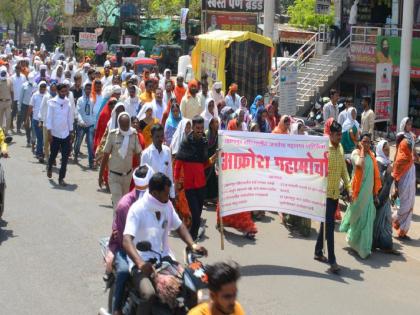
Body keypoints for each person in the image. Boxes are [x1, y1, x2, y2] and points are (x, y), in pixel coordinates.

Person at [123, 173, 208, 315]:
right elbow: (126, 240)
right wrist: (140, 263)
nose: (169, 196)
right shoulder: (137, 209)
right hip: (142, 262)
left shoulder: (167, 206)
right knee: (148, 294)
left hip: (165, 259)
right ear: (155, 193)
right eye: (166, 193)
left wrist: (192, 245)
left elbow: (180, 226)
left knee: (191, 286)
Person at [107, 165, 154, 315]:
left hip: (148, 247)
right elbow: (123, 238)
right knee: (122, 272)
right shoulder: (124, 205)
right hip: (124, 247)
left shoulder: (155, 202)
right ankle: (116, 308)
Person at [314, 121, 351, 274]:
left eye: (341, 134)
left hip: (335, 193)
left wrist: (348, 188)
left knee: (326, 224)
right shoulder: (324, 149)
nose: (340, 137)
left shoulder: (340, 148)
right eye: (337, 134)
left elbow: (343, 170)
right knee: (329, 227)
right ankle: (332, 260)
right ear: (330, 135)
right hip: (324, 195)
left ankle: (317, 251)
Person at [339, 133, 382, 259]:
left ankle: (364, 248)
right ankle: (353, 241)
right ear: (360, 142)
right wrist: (362, 150)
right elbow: (359, 164)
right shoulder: (355, 154)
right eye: (364, 142)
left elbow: (374, 178)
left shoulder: (372, 157)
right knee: (357, 220)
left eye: (369, 142)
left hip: (368, 195)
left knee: (366, 221)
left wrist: (375, 194)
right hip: (357, 193)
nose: (367, 144)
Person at [174, 116, 217, 240]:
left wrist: (213, 158)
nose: (199, 130)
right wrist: (176, 181)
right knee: (196, 216)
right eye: (197, 128)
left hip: (201, 185)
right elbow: (178, 164)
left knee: (198, 216)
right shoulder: (186, 143)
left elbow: (203, 164)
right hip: (190, 186)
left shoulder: (204, 142)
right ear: (193, 127)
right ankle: (192, 241)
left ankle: (192, 238)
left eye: (201, 128)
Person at [99, 112, 142, 211]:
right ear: (119, 124)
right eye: (123, 126)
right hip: (114, 176)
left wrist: (140, 170)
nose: (125, 128)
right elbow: (105, 155)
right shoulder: (113, 135)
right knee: (118, 205)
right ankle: (116, 226)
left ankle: (122, 225)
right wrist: (100, 175)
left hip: (127, 176)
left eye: (127, 125)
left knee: (125, 205)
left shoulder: (133, 135)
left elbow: (139, 153)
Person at [392, 117, 417, 240]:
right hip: (403, 171)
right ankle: (391, 220)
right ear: (403, 124)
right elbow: (400, 155)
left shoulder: (411, 136)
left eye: (410, 123)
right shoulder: (401, 137)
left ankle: (403, 230)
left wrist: (415, 157)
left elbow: (413, 152)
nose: (409, 125)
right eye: (407, 123)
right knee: (403, 202)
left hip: (411, 170)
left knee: (410, 201)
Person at [373, 140, 399, 254]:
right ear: (380, 150)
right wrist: (389, 174)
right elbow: (379, 182)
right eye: (386, 149)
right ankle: (374, 244)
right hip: (379, 198)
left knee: (387, 222)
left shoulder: (387, 162)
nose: (388, 151)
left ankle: (386, 245)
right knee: (378, 223)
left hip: (385, 198)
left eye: (389, 149)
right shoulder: (378, 163)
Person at [46, 83, 74, 186]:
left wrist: (71, 133)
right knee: (53, 155)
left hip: (65, 134)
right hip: (55, 134)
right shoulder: (52, 103)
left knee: (65, 158)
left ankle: (61, 178)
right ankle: (49, 167)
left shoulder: (68, 103)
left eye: (65, 91)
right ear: (58, 92)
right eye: (62, 91)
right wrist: (49, 133)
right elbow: (49, 119)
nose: (64, 93)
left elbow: (70, 119)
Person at [140, 124, 175, 200]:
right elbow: (143, 177)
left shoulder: (167, 151)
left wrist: (172, 194)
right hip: (151, 194)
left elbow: (169, 173)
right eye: (157, 136)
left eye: (162, 136)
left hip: (165, 193)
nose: (160, 139)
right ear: (151, 137)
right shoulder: (146, 154)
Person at [170, 118, 193, 227]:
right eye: (186, 126)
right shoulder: (176, 140)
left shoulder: (192, 140)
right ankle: (183, 217)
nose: (188, 129)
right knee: (180, 194)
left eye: (189, 127)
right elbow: (173, 156)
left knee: (186, 195)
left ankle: (185, 217)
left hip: (188, 171)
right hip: (178, 170)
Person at [74, 82, 95, 168]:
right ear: (84, 89)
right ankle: (75, 154)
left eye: (90, 89)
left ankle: (91, 162)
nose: (88, 90)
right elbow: (77, 112)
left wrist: (93, 122)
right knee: (78, 141)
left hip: (90, 124)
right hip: (81, 125)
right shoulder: (80, 100)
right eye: (87, 89)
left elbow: (93, 113)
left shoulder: (92, 100)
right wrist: (81, 121)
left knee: (90, 143)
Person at [27, 81, 47, 162]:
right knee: (40, 138)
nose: (43, 88)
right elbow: (30, 107)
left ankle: (41, 152)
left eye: (44, 87)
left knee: (43, 139)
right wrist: (27, 118)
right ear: (39, 87)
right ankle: (39, 154)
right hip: (36, 119)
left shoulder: (47, 95)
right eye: (41, 87)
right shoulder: (35, 95)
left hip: (45, 120)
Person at [10, 65, 26, 131]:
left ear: (20, 70)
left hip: (21, 98)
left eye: (19, 69)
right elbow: (11, 89)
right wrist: (12, 99)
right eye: (17, 69)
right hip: (14, 98)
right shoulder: (12, 77)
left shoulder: (23, 77)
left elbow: (25, 87)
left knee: (20, 113)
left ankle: (18, 127)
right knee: (13, 112)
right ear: (15, 70)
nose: (18, 70)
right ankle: (11, 123)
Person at [0, 66, 13, 136]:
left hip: (8, 102)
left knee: (8, 118)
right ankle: (1, 132)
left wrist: (13, 102)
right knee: (0, 119)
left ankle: (6, 132)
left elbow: (12, 92)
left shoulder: (9, 80)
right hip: (0, 102)